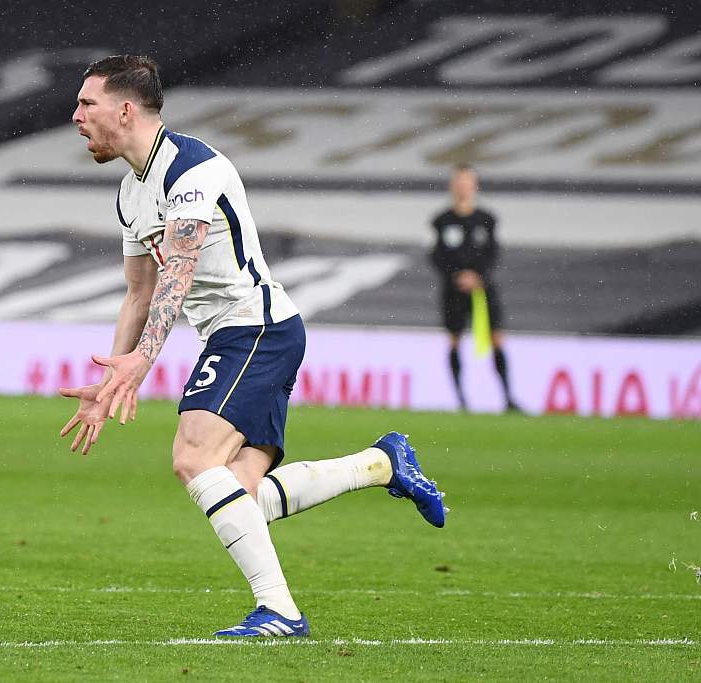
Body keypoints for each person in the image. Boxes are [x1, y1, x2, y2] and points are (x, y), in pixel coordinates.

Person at [62, 55, 446, 638]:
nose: (76, 115)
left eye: (86, 103)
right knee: (240, 496)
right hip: (241, 335)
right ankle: (379, 464)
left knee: (193, 458)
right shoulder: (129, 194)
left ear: (125, 110)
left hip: (256, 329)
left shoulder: (192, 169)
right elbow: (139, 293)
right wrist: (113, 372)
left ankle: (281, 611)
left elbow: (177, 276)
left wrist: (144, 360)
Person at [430, 164, 520, 412]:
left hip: (483, 288)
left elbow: (493, 253)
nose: (462, 187)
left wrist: (477, 275)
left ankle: (508, 398)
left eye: (466, 182)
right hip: (453, 289)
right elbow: (437, 255)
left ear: (474, 186)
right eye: (458, 182)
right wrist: (457, 275)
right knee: (454, 339)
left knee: (496, 337)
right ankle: (460, 399)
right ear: (452, 186)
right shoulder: (442, 221)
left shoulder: (486, 220)